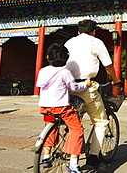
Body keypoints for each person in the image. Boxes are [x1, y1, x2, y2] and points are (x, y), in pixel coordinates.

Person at [64, 19, 120, 170]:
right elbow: (108, 65)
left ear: (78, 31)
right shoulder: (96, 42)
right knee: (101, 122)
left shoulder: (69, 42)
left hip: (67, 85)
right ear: (93, 31)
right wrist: (115, 80)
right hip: (86, 86)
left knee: (71, 120)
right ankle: (94, 157)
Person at [36, 43, 91, 173]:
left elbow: (40, 84)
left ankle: (46, 156)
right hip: (61, 108)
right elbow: (74, 88)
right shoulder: (64, 72)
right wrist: (86, 84)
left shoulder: (42, 71)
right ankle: (73, 164)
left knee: (50, 125)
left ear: (48, 57)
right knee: (77, 129)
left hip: (45, 107)